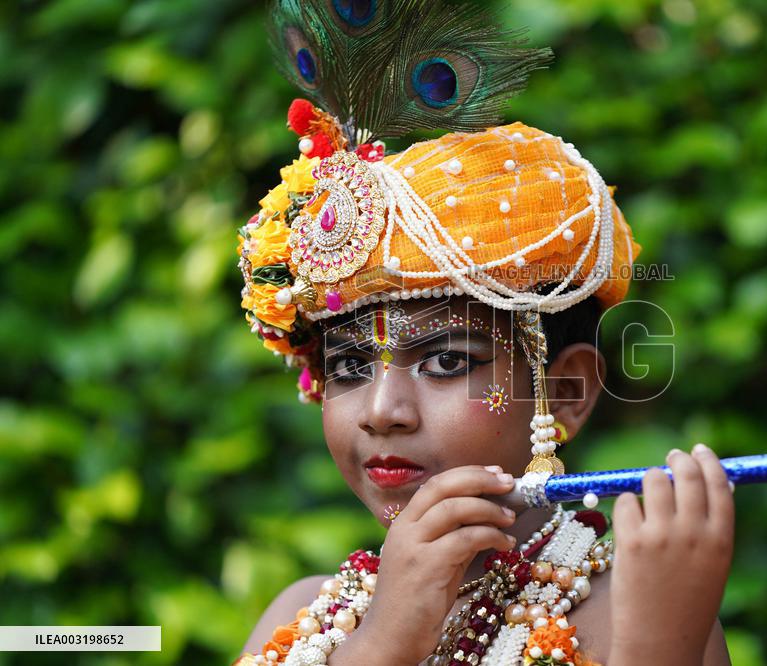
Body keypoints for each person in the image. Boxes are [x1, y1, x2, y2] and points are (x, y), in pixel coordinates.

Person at [233, 2, 734, 664]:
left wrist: (655, 644)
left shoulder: (637, 610)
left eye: (443, 361)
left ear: (565, 393)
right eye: (351, 367)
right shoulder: (302, 614)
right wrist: (386, 639)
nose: (383, 411)